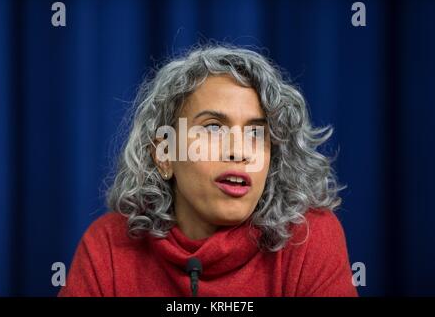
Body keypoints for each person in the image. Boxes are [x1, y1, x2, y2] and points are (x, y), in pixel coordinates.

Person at [58, 44, 358, 297]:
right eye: (213, 128)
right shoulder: (107, 245)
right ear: (164, 154)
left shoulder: (307, 236)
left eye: (256, 133)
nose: (239, 151)